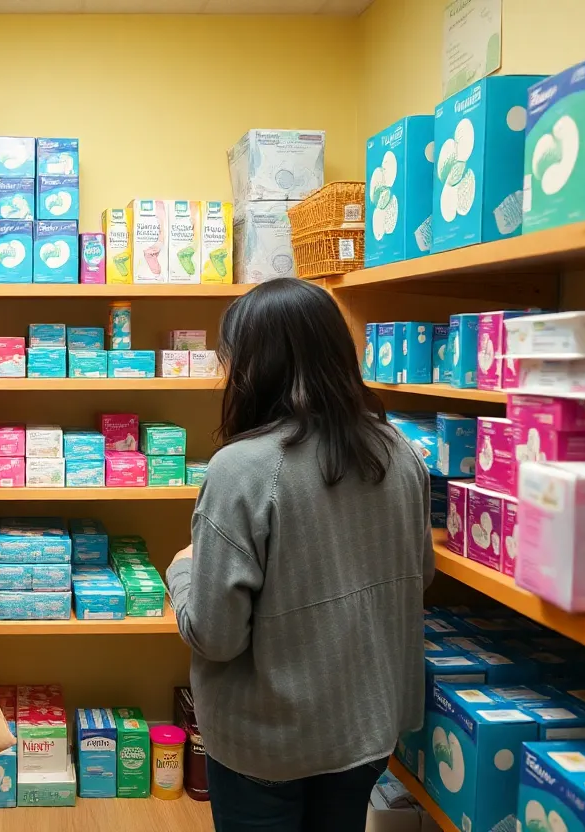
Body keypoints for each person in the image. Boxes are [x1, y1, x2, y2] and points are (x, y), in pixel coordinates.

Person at [167, 278, 433, 832]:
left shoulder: (243, 468)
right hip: (366, 728)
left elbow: (215, 635)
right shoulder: (398, 452)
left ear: (251, 365)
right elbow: (419, 574)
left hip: (269, 742)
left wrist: (184, 569)